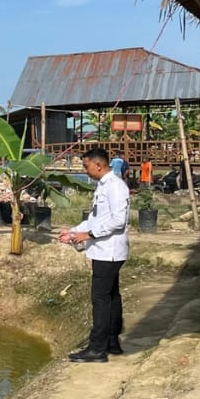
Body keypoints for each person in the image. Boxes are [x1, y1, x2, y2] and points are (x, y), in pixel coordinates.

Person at [59, 146, 130, 363]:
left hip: (109, 250)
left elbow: (118, 221)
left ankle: (97, 349)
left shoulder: (115, 187)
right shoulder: (103, 186)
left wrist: (88, 234)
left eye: (86, 166)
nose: (86, 170)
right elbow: (96, 218)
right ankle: (111, 341)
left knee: (100, 299)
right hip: (103, 250)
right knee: (111, 296)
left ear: (98, 165)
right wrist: (74, 232)